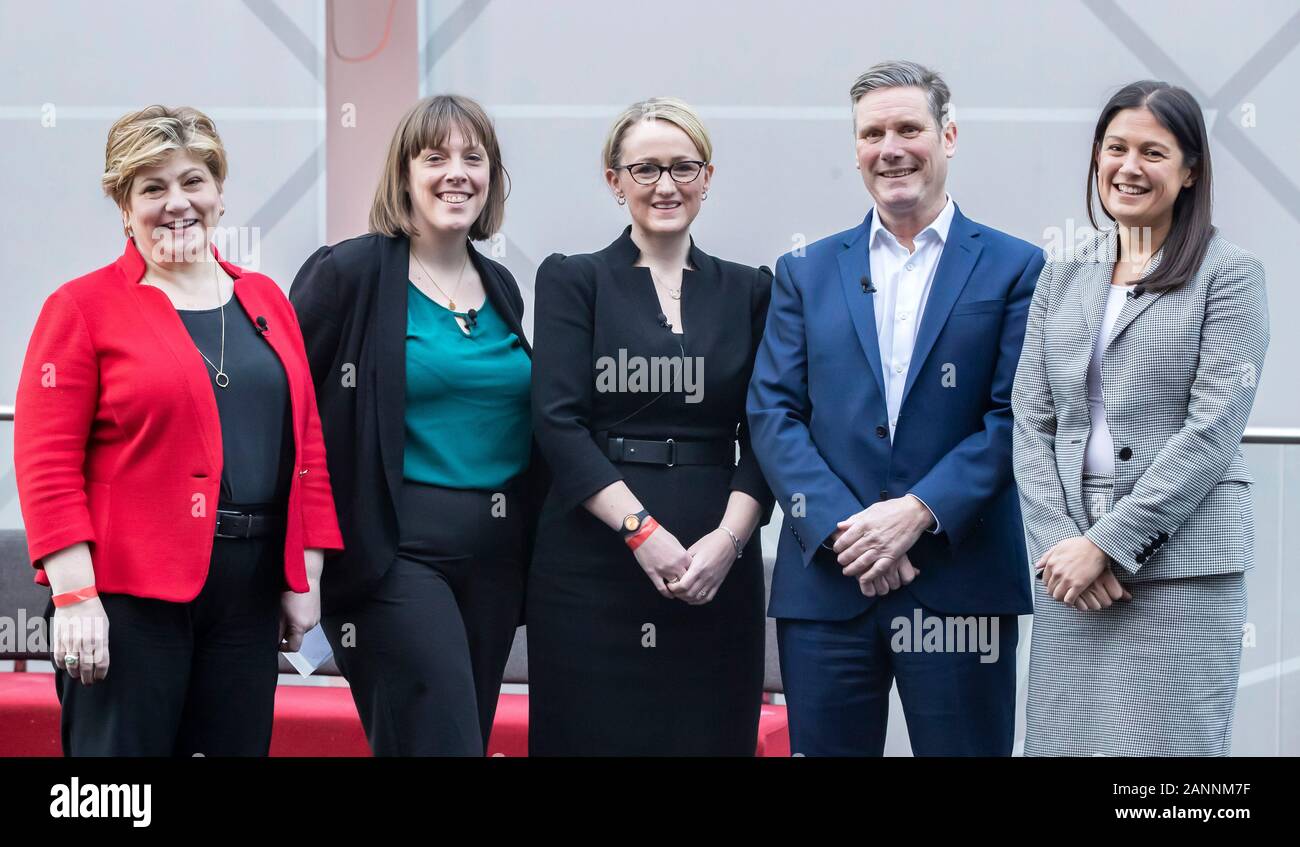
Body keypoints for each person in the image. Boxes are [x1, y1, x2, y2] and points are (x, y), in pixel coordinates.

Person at [13, 105, 342, 756]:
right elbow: (46, 463)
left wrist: (307, 573)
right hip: (128, 601)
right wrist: (76, 596)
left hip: (246, 599)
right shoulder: (82, 307)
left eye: (193, 181)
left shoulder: (266, 299)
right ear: (123, 203)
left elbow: (306, 444)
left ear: (219, 191)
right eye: (152, 187)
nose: (177, 202)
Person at [747, 61, 1043, 756]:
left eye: (909, 128)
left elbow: (1017, 415)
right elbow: (773, 413)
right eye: (872, 132)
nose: (891, 147)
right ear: (855, 149)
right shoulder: (805, 271)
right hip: (828, 583)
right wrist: (850, 531)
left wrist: (913, 515)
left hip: (960, 580)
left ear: (948, 136)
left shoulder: (1015, 266)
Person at [1014, 80, 1269, 756]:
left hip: (1181, 567)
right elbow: (1031, 420)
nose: (1128, 166)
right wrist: (1063, 545)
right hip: (1070, 574)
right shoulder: (1064, 273)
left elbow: (1213, 429)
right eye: (1115, 147)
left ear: (1190, 172)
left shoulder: (1231, 274)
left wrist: (1108, 544)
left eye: (1153, 152)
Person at [291, 95, 541, 756]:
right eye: (435, 157)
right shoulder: (348, 274)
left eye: (473, 157)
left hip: (495, 564)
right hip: (392, 557)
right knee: (443, 741)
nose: (456, 172)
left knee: (459, 736)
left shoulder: (503, 286)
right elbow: (294, 416)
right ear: (404, 175)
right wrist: (300, 564)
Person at [527, 97, 774, 755]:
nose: (666, 185)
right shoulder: (572, 280)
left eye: (682, 167)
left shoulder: (751, 289)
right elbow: (557, 423)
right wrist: (642, 532)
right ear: (615, 181)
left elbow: (770, 432)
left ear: (707, 177)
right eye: (645, 170)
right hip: (592, 568)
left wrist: (727, 541)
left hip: (718, 567)